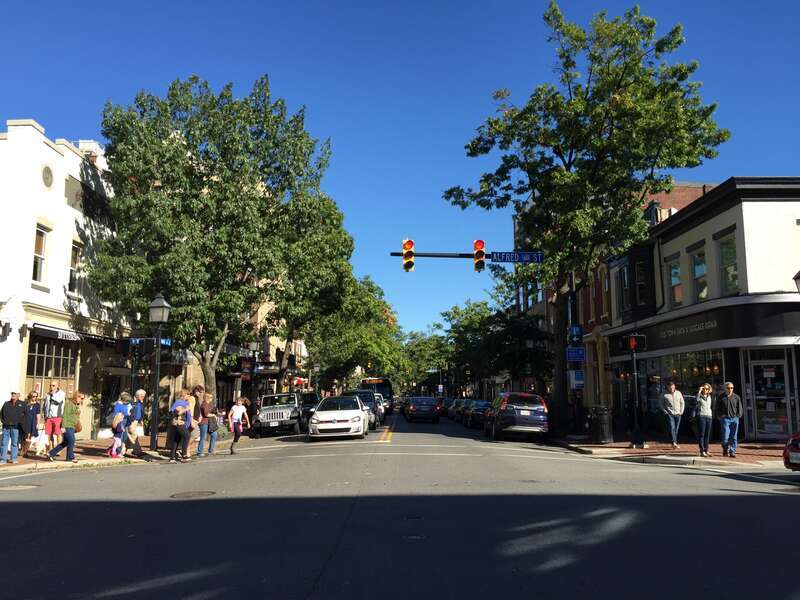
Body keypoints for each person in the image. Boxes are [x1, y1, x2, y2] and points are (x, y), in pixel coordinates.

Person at [48, 392, 83, 463]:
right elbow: (65, 415)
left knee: (66, 442)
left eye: (82, 398)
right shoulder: (69, 404)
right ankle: (70, 457)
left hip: (72, 426)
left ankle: (51, 453)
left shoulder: (76, 406)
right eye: (81, 398)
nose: (81, 400)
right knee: (72, 441)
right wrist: (63, 427)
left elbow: (76, 417)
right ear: (76, 397)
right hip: (67, 426)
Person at [716, 381, 744, 458]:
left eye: (732, 388)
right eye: (728, 388)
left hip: (734, 419)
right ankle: (725, 449)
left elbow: (740, 408)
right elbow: (717, 408)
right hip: (725, 419)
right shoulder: (721, 397)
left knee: (734, 436)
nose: (730, 389)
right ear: (725, 388)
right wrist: (720, 416)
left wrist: (738, 415)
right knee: (725, 436)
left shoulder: (736, 397)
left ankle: (732, 451)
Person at [1, 392, 26, 464]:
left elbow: (24, 415)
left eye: (14, 393)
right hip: (6, 427)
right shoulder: (6, 404)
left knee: (14, 443)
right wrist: (4, 422)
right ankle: (3, 459)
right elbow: (1, 414)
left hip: (16, 427)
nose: (13, 395)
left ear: (18, 395)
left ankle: (13, 459)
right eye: (12, 393)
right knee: (4, 443)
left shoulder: (22, 404)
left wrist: (19, 423)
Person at [168, 389, 192, 463]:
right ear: (184, 395)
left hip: (180, 423)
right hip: (179, 423)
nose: (189, 396)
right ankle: (184, 455)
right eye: (188, 394)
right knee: (187, 436)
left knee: (176, 439)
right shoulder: (179, 402)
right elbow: (177, 413)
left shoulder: (183, 403)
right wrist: (186, 409)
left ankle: (172, 457)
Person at [661, 381, 685, 449]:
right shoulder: (664, 394)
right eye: (670, 387)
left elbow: (682, 402)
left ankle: (674, 443)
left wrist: (681, 411)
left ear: (674, 387)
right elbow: (660, 404)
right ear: (668, 387)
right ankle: (674, 442)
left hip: (678, 414)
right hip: (670, 414)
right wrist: (665, 411)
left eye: (673, 387)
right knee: (672, 427)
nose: (672, 388)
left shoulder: (678, 393)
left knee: (676, 429)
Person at [43, 382, 66, 452]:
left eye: (53, 385)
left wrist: (52, 394)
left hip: (57, 416)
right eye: (50, 385)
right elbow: (45, 405)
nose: (51, 387)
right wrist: (45, 415)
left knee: (58, 433)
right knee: (49, 434)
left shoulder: (61, 393)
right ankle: (51, 449)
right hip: (49, 417)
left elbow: (58, 400)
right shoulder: (48, 394)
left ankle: (58, 450)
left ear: (57, 386)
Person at [107, 392, 131, 457]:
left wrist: (127, 414)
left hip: (124, 421)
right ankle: (116, 452)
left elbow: (124, 412)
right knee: (119, 438)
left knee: (123, 437)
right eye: (127, 401)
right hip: (120, 421)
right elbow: (116, 413)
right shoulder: (118, 405)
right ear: (124, 400)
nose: (128, 403)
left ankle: (112, 449)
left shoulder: (124, 405)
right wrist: (126, 414)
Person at [695, 383, 714, 457]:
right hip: (701, 416)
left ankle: (706, 450)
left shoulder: (710, 396)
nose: (705, 390)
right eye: (704, 389)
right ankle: (702, 451)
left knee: (707, 435)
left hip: (709, 416)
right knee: (702, 434)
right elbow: (696, 401)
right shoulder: (699, 396)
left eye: (707, 389)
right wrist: (699, 391)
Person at [197, 392, 219, 457]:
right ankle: (200, 452)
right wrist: (213, 415)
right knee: (203, 437)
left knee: (214, 435)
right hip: (204, 422)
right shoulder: (204, 404)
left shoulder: (210, 404)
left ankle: (211, 451)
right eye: (211, 397)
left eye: (212, 397)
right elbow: (206, 414)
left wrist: (217, 413)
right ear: (207, 398)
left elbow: (214, 411)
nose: (212, 398)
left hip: (210, 423)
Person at [127, 389, 145, 458]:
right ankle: (138, 451)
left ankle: (126, 450)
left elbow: (141, 411)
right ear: (137, 396)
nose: (143, 397)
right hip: (131, 421)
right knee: (134, 435)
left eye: (144, 396)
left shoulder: (140, 402)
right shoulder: (132, 402)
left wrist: (141, 420)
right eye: (142, 396)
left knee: (130, 436)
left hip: (136, 421)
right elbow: (128, 411)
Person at [23, 391, 41, 457]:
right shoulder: (25, 403)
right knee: (24, 436)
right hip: (25, 421)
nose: (35, 398)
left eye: (36, 396)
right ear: (30, 396)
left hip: (32, 422)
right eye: (33, 396)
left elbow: (38, 415)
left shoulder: (37, 405)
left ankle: (25, 451)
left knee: (29, 436)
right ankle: (23, 449)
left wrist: (38, 424)